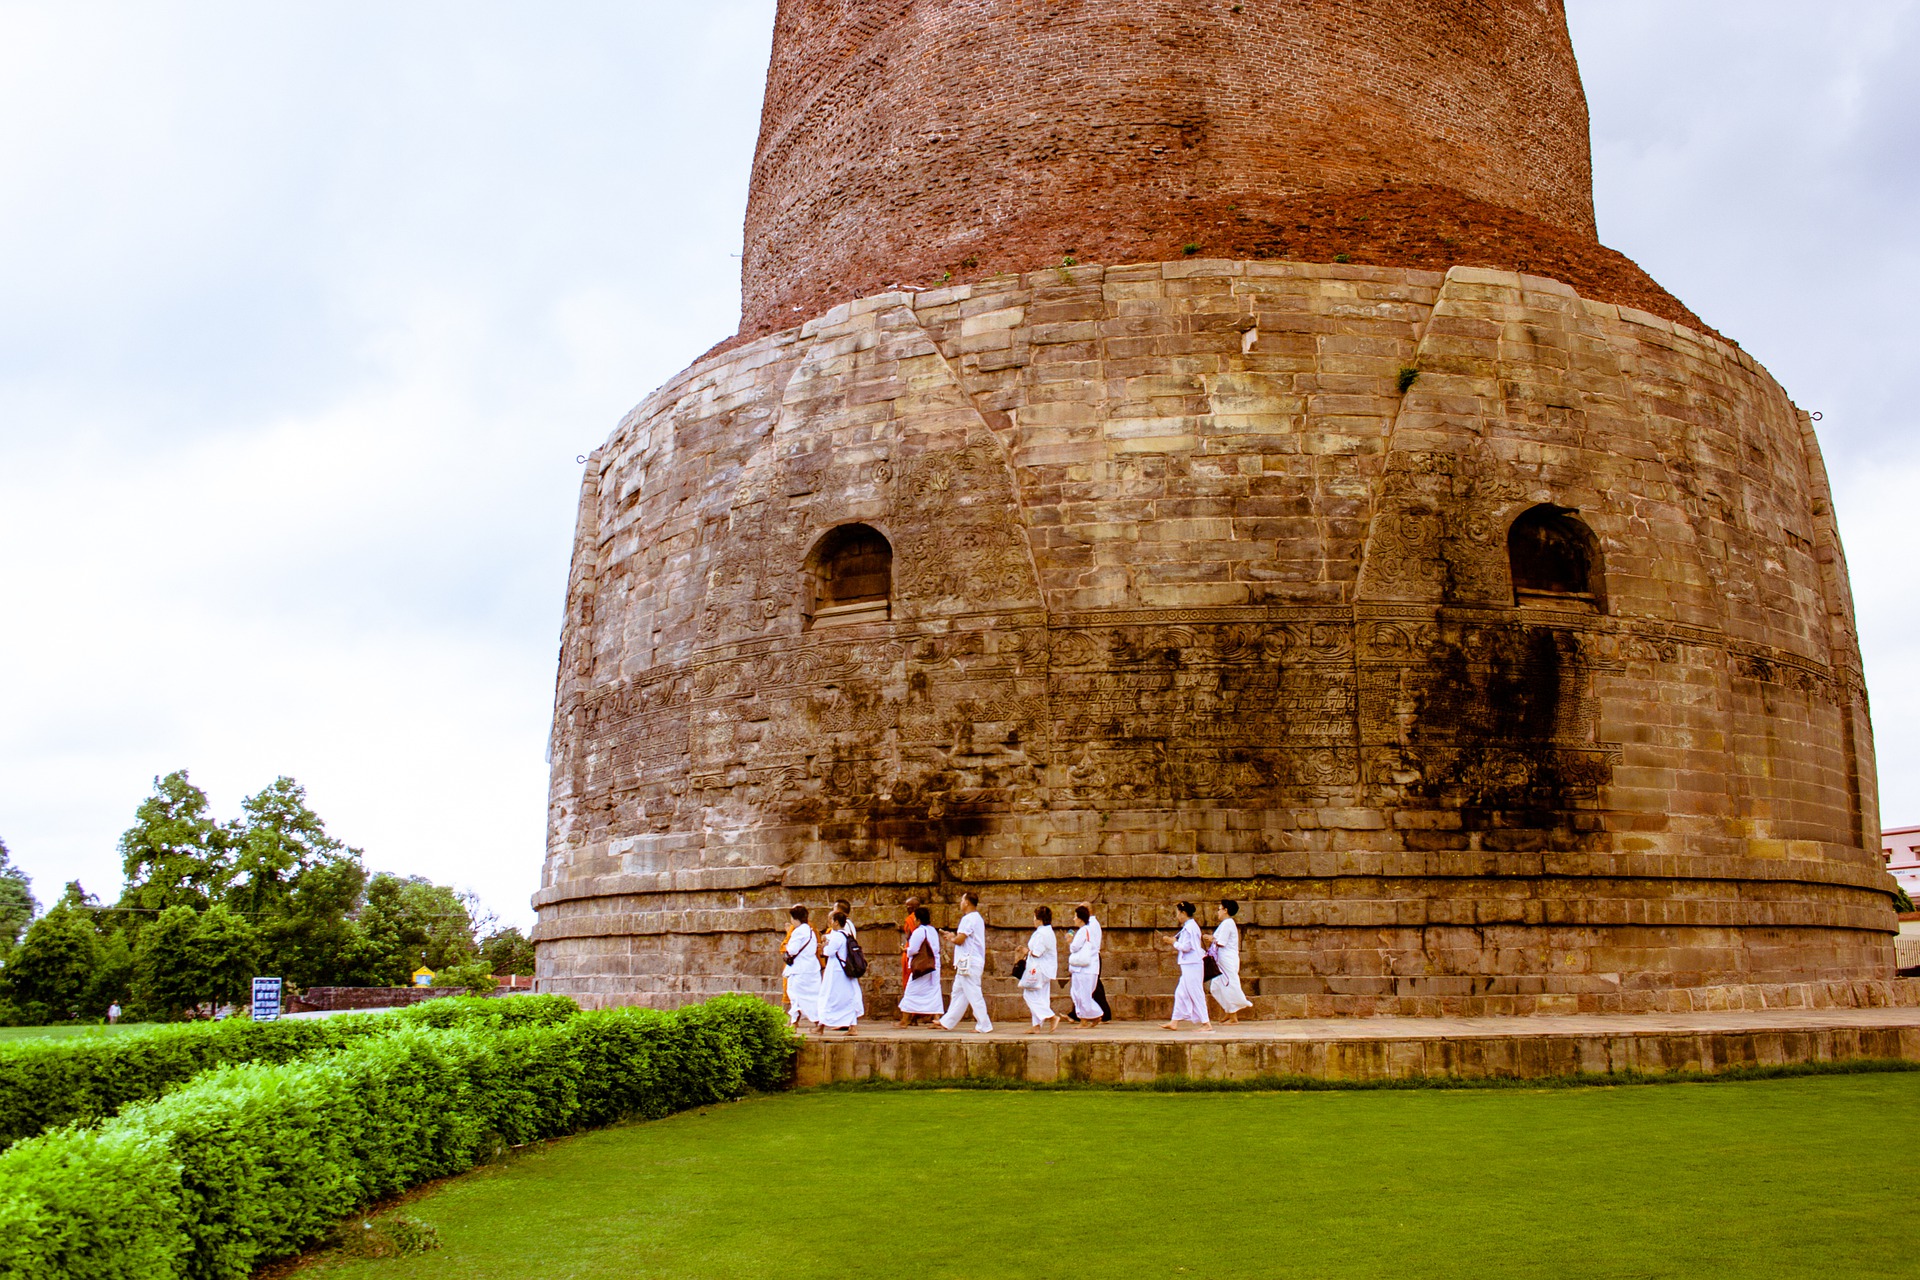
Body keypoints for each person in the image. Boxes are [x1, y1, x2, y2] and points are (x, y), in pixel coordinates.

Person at [938, 891, 993, 1033]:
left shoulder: (968, 919)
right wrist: (953, 936)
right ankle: (947, 1021)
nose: (960, 903)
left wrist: (951, 937)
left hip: (969, 962)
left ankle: (984, 1024)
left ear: (967, 902)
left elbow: (960, 940)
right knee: (958, 992)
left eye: (962, 900)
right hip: (968, 961)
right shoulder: (977, 918)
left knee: (973, 994)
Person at [1161, 901, 1210, 1030]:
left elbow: (1187, 947)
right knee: (1180, 992)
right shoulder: (1190, 926)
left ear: (1183, 913)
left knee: (1196, 992)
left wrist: (1173, 943)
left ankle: (1206, 1023)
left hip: (1192, 964)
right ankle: (1174, 1021)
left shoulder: (1189, 928)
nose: (1177, 916)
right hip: (1189, 963)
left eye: (1178, 913)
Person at [816, 911, 863, 1034]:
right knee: (848, 998)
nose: (830, 923)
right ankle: (852, 1026)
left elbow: (830, 952)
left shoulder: (837, 936)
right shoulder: (846, 934)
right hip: (845, 971)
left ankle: (821, 1026)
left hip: (837, 973)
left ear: (836, 922)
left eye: (832, 920)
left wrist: (824, 947)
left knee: (828, 997)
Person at [1208, 899, 1253, 1024]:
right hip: (1222, 959)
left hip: (1227, 959)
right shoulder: (1225, 924)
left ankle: (1233, 1016)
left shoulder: (1228, 923)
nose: (1218, 912)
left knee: (1228, 984)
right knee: (1216, 987)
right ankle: (1228, 1011)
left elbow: (1221, 942)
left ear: (1225, 910)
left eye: (1219, 909)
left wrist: (1211, 938)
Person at [1017, 905, 1060, 1033]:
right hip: (1046, 969)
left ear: (1039, 919)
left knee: (1029, 994)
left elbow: (1037, 953)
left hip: (1040, 969)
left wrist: (1025, 951)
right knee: (1042, 996)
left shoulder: (1041, 933)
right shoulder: (1048, 931)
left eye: (1034, 917)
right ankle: (1036, 1026)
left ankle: (1051, 1017)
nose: (1033, 920)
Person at [899, 905, 945, 1024]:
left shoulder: (919, 931)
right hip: (933, 965)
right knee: (934, 990)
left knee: (911, 991)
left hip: (922, 967)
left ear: (919, 920)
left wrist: (906, 950)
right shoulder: (933, 930)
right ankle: (937, 1019)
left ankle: (904, 1020)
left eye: (915, 918)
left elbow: (914, 949)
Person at [781, 904, 822, 1029]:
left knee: (795, 996)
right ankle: (816, 1022)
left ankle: (795, 1022)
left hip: (799, 969)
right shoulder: (811, 931)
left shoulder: (798, 932)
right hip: (811, 968)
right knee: (812, 997)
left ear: (795, 918)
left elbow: (793, 950)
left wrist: (787, 947)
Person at [1067, 905, 1102, 1025]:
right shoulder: (1091, 929)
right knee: (1085, 994)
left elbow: (1074, 947)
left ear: (1080, 918)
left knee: (1080, 994)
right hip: (1091, 967)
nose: (1074, 919)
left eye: (1075, 916)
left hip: (1083, 968)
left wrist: (1070, 941)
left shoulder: (1083, 931)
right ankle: (1090, 1017)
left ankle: (1089, 1017)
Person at [1080, 901, 1113, 1022]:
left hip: (1090, 958)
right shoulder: (1090, 924)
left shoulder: (1091, 925)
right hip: (1090, 957)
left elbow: (1085, 942)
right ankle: (1105, 1013)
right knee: (1095, 986)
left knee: (1091, 986)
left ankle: (1081, 1014)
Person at [834, 898, 866, 1020]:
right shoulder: (848, 924)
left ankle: (848, 1016)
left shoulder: (845, 926)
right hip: (846, 960)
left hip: (845, 961)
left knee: (847, 990)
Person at [896, 895, 922, 1027]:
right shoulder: (924, 923)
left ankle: (910, 1017)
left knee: (908, 984)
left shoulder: (911, 919)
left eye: (908, 907)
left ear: (912, 908)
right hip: (919, 955)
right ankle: (916, 1016)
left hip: (910, 953)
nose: (907, 909)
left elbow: (910, 935)